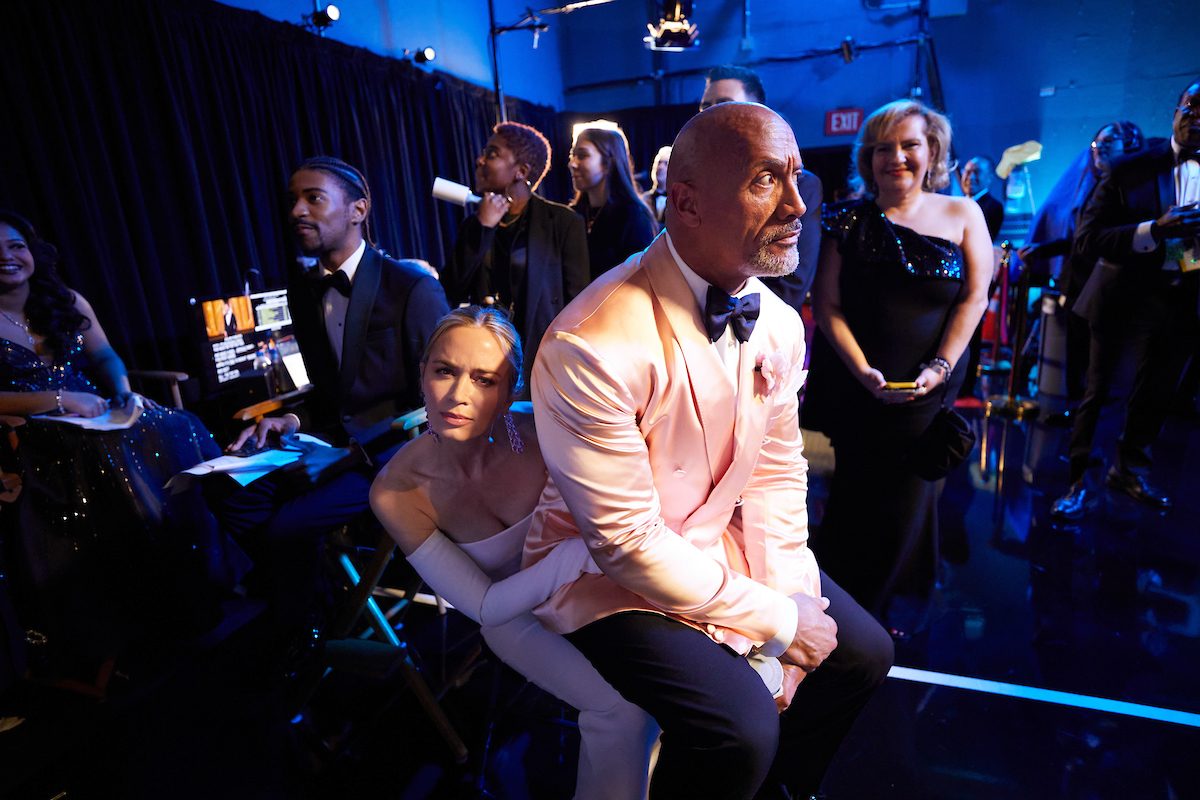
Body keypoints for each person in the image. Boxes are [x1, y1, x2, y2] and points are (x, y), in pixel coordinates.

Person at [524, 102, 894, 800]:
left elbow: (780, 473)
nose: (797, 207)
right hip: (598, 571)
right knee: (739, 728)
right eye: (765, 182)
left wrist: (788, 592)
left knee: (865, 654)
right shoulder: (591, 345)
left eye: (796, 178)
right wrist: (780, 622)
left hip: (712, 534)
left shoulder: (780, 322)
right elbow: (628, 544)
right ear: (686, 204)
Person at [370, 306, 657, 799]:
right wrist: (577, 554)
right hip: (513, 619)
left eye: (484, 380)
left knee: (674, 680)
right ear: (422, 374)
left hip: (596, 586)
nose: (458, 396)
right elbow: (483, 606)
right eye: (444, 371)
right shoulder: (396, 490)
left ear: (511, 391)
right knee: (622, 709)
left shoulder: (546, 427)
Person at [0, 210, 245, 677]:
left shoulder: (65, 299)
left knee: (173, 423)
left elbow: (106, 355)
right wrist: (54, 399)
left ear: (31, 251)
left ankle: (197, 570)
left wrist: (123, 390)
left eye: (15, 246)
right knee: (108, 452)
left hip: (91, 413)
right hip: (32, 428)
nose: (8, 258)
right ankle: (136, 604)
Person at [213, 157, 449, 630]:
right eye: (292, 200)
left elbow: (442, 405)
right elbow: (329, 394)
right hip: (331, 443)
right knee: (226, 491)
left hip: (398, 454)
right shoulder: (302, 292)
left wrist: (350, 456)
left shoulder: (412, 287)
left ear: (358, 209)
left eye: (313, 198)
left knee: (287, 526)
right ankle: (316, 605)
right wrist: (291, 421)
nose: (297, 210)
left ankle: (301, 631)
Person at [804, 100, 991, 622]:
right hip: (858, 382)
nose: (897, 157)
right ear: (868, 157)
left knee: (911, 494)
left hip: (928, 384)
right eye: (883, 147)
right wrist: (861, 370)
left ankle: (884, 610)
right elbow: (827, 304)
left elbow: (974, 298)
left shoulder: (963, 213)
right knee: (855, 496)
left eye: (909, 145)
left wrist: (941, 368)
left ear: (932, 151)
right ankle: (849, 615)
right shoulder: (845, 219)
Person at [1050, 79, 1200, 520]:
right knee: (1106, 395)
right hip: (1130, 300)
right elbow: (1088, 239)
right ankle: (1082, 483)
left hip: (1188, 301)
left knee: (1158, 395)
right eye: (1192, 107)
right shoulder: (1131, 167)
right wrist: (1153, 230)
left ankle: (1130, 470)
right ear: (1176, 110)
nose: (1197, 118)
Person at [440, 121, 589, 394]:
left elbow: (579, 306)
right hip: (486, 359)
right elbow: (450, 288)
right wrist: (483, 228)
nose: (480, 159)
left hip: (545, 361)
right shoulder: (474, 225)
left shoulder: (563, 222)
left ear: (521, 172)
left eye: (492, 154)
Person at [1021, 121, 1147, 401]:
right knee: (1078, 361)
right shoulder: (1093, 184)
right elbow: (1081, 238)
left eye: (1110, 140)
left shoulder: (1134, 189)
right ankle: (1075, 419)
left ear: (1130, 145)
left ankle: (1088, 430)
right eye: (1096, 141)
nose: (1099, 146)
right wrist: (1043, 249)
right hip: (1077, 284)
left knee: (1101, 368)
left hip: (1108, 287)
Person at [700, 64, 825, 311]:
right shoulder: (698, 181)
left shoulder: (804, 185)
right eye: (706, 106)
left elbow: (792, 285)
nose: (711, 114)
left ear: (759, 112)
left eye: (724, 104)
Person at [569, 126, 659, 280]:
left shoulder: (633, 215)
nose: (572, 164)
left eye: (582, 156)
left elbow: (641, 281)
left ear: (608, 163)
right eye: (572, 156)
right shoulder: (572, 214)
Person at [959, 155, 1005, 241]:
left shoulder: (993, 208)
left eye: (977, 172)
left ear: (990, 177)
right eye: (967, 172)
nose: (970, 177)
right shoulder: (957, 204)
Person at [639, 145, 672, 225]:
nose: (660, 167)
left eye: (666, 163)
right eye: (658, 163)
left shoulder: (678, 201)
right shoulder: (642, 200)